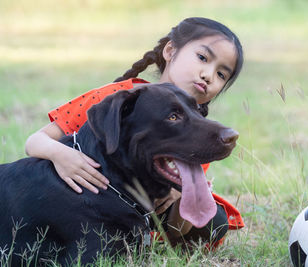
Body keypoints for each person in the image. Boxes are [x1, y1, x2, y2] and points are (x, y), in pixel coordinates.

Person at [25, 17, 244, 249]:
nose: (208, 75)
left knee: (214, 221)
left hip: (143, 213)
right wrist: (64, 157)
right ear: (170, 51)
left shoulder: (197, 133)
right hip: (88, 194)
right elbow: (35, 141)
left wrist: (185, 195)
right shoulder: (117, 98)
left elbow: (174, 227)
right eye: (202, 58)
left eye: (221, 74)